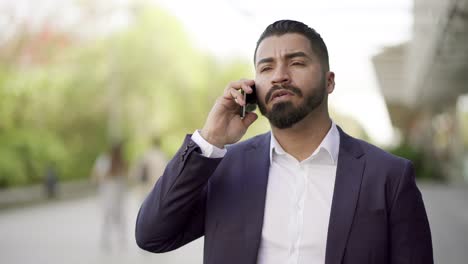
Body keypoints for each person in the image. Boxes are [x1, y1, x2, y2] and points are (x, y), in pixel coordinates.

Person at [135, 20, 433, 264]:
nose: (279, 76)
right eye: (266, 68)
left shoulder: (389, 177)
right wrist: (210, 138)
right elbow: (153, 235)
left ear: (329, 81)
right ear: (252, 88)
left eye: (297, 63)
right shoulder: (225, 167)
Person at [91, 142, 128, 252]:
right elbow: (95, 175)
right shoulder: (104, 160)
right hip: (108, 194)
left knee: (117, 217)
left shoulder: (121, 162)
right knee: (108, 217)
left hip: (117, 195)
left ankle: (120, 239)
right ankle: (107, 239)